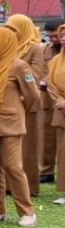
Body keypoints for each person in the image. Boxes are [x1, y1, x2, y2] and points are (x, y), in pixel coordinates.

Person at [0, 27, 38, 227]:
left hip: (10, 125)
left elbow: (33, 95)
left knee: (13, 167)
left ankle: (27, 211)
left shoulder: (19, 66)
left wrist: (18, 110)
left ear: (4, 42)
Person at [7, 14, 47, 198]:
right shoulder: (9, 46)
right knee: (10, 148)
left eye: (14, 29)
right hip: (11, 103)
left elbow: (36, 75)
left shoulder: (34, 48)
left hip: (29, 102)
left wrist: (17, 71)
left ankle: (30, 186)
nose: (12, 33)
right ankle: (9, 185)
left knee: (28, 147)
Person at [42, 19, 63, 184]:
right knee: (47, 137)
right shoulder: (46, 50)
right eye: (50, 36)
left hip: (61, 100)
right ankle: (47, 170)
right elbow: (42, 72)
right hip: (50, 100)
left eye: (56, 36)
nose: (54, 40)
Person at [46, 24, 65, 205]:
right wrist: (59, 100)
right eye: (62, 35)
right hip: (61, 110)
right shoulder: (55, 61)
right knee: (63, 152)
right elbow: (50, 84)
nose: (63, 38)